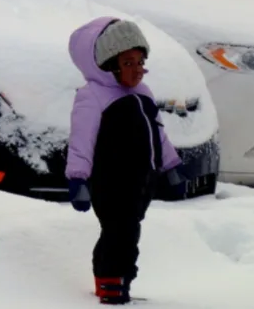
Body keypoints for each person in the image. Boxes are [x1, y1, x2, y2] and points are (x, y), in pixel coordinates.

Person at [65, 16, 186, 305]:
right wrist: (77, 179)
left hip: (141, 181)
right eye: (128, 63)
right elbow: (81, 140)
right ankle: (111, 284)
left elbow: (158, 133)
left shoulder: (143, 94)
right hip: (110, 181)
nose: (137, 70)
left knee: (128, 231)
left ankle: (118, 283)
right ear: (108, 64)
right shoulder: (93, 97)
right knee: (119, 232)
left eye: (140, 62)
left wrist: (172, 167)